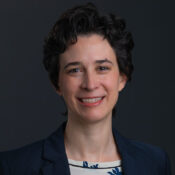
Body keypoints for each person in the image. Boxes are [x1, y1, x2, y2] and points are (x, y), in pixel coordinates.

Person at [0, 2, 171, 175]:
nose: (90, 84)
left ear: (122, 78)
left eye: (102, 68)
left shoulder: (154, 163)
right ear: (56, 82)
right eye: (75, 70)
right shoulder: (13, 167)